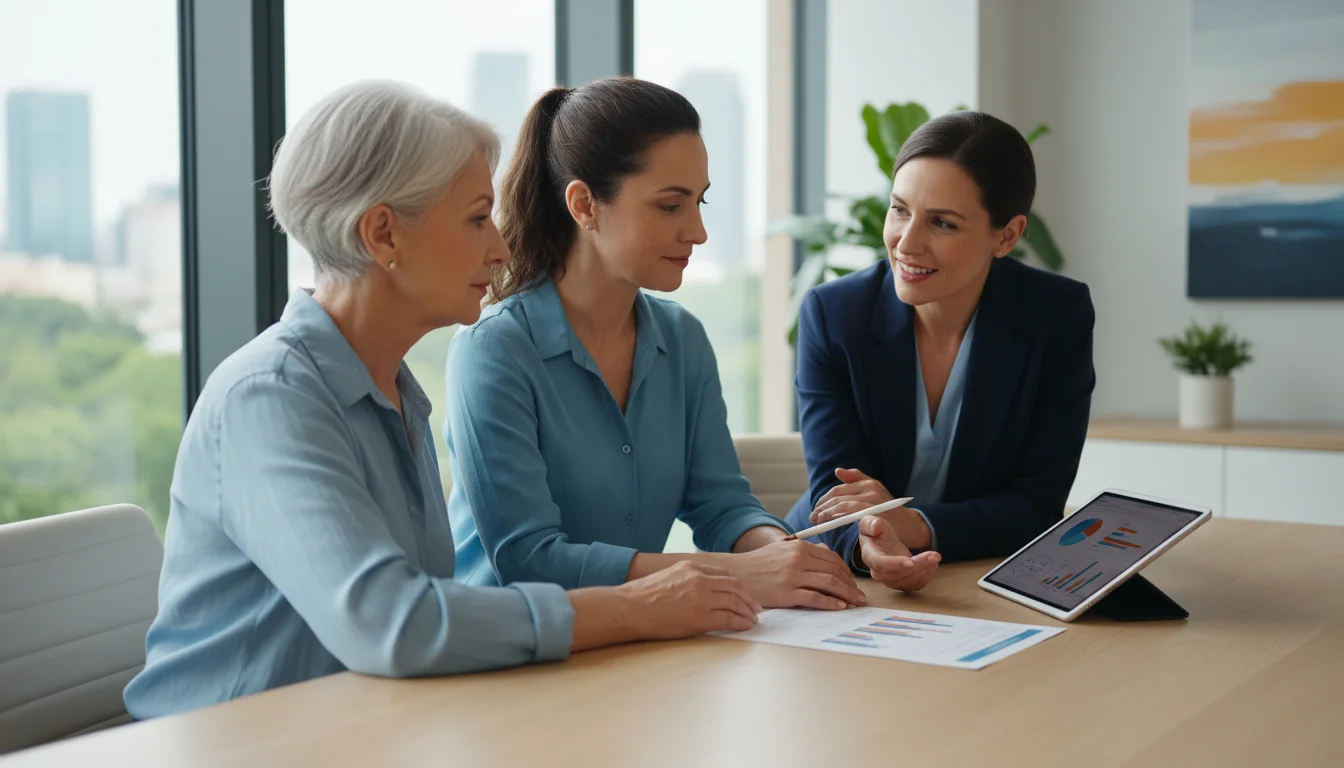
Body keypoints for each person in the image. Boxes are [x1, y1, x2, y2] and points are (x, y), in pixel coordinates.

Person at [123, 81, 763, 720]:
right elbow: (393, 622)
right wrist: (638, 605)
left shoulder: (395, 393)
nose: (502, 247)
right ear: (384, 235)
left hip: (356, 734)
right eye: (477, 218)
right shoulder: (268, 398)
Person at [443, 77, 866, 611]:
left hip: (632, 641)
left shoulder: (681, 338)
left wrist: (789, 561)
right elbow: (530, 557)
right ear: (584, 205)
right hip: (508, 661)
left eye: (700, 202)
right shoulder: (494, 350)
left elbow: (721, 506)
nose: (699, 231)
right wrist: (741, 574)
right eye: (670, 206)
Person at [784, 111, 1096, 593]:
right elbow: (836, 494)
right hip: (837, 563)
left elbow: (1036, 505)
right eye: (899, 210)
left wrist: (914, 526)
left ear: (1007, 236)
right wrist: (874, 537)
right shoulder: (833, 313)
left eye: (943, 223)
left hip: (974, 576)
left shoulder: (1055, 317)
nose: (906, 244)